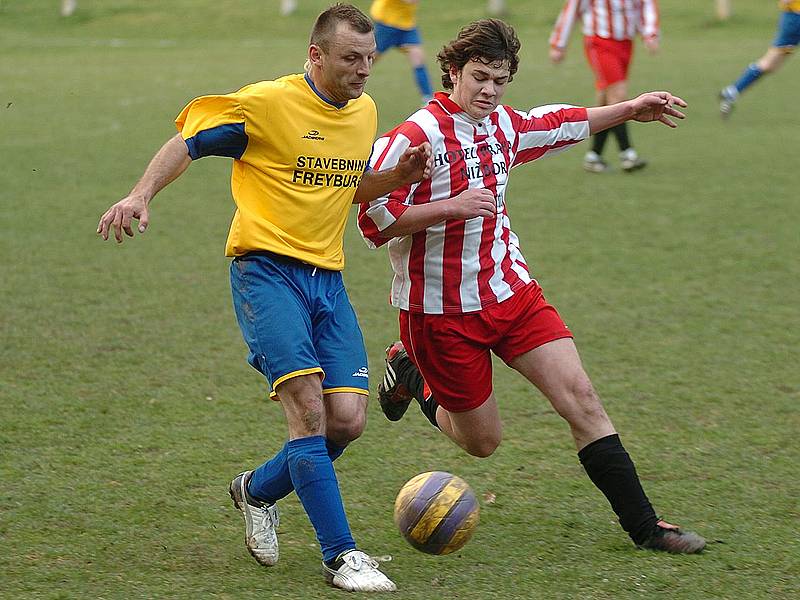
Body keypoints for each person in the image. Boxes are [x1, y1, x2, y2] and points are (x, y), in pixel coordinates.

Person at [97, 3, 432, 592]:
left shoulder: (366, 111)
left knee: (347, 422)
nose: (363, 71)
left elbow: (346, 183)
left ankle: (255, 490)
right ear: (316, 56)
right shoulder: (268, 104)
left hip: (327, 281)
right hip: (265, 273)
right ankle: (342, 556)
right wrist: (139, 194)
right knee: (307, 409)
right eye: (351, 59)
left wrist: (397, 179)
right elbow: (189, 141)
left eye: (370, 59)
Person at [358, 18, 706, 556]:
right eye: (479, 77)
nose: (489, 91)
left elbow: (564, 121)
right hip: (439, 313)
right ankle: (410, 372)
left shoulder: (503, 126)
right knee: (483, 442)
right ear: (452, 72)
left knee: (582, 398)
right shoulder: (413, 137)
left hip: (512, 294)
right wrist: (449, 206)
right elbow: (373, 221)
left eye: (500, 80)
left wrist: (631, 108)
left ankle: (647, 528)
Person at [549, 0, 660, 173]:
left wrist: (650, 33)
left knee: (606, 99)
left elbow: (646, 5)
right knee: (618, 94)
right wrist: (558, 44)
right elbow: (572, 9)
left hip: (626, 43)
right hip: (599, 41)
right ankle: (628, 154)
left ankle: (594, 156)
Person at [719, 1, 800, 118]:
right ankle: (732, 91)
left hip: (793, 17)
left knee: (771, 64)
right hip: (795, 18)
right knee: (770, 63)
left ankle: (733, 91)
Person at [369, 0, 434, 105]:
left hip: (407, 26)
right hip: (387, 24)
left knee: (418, 59)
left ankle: (428, 99)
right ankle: (342, 84)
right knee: (368, 60)